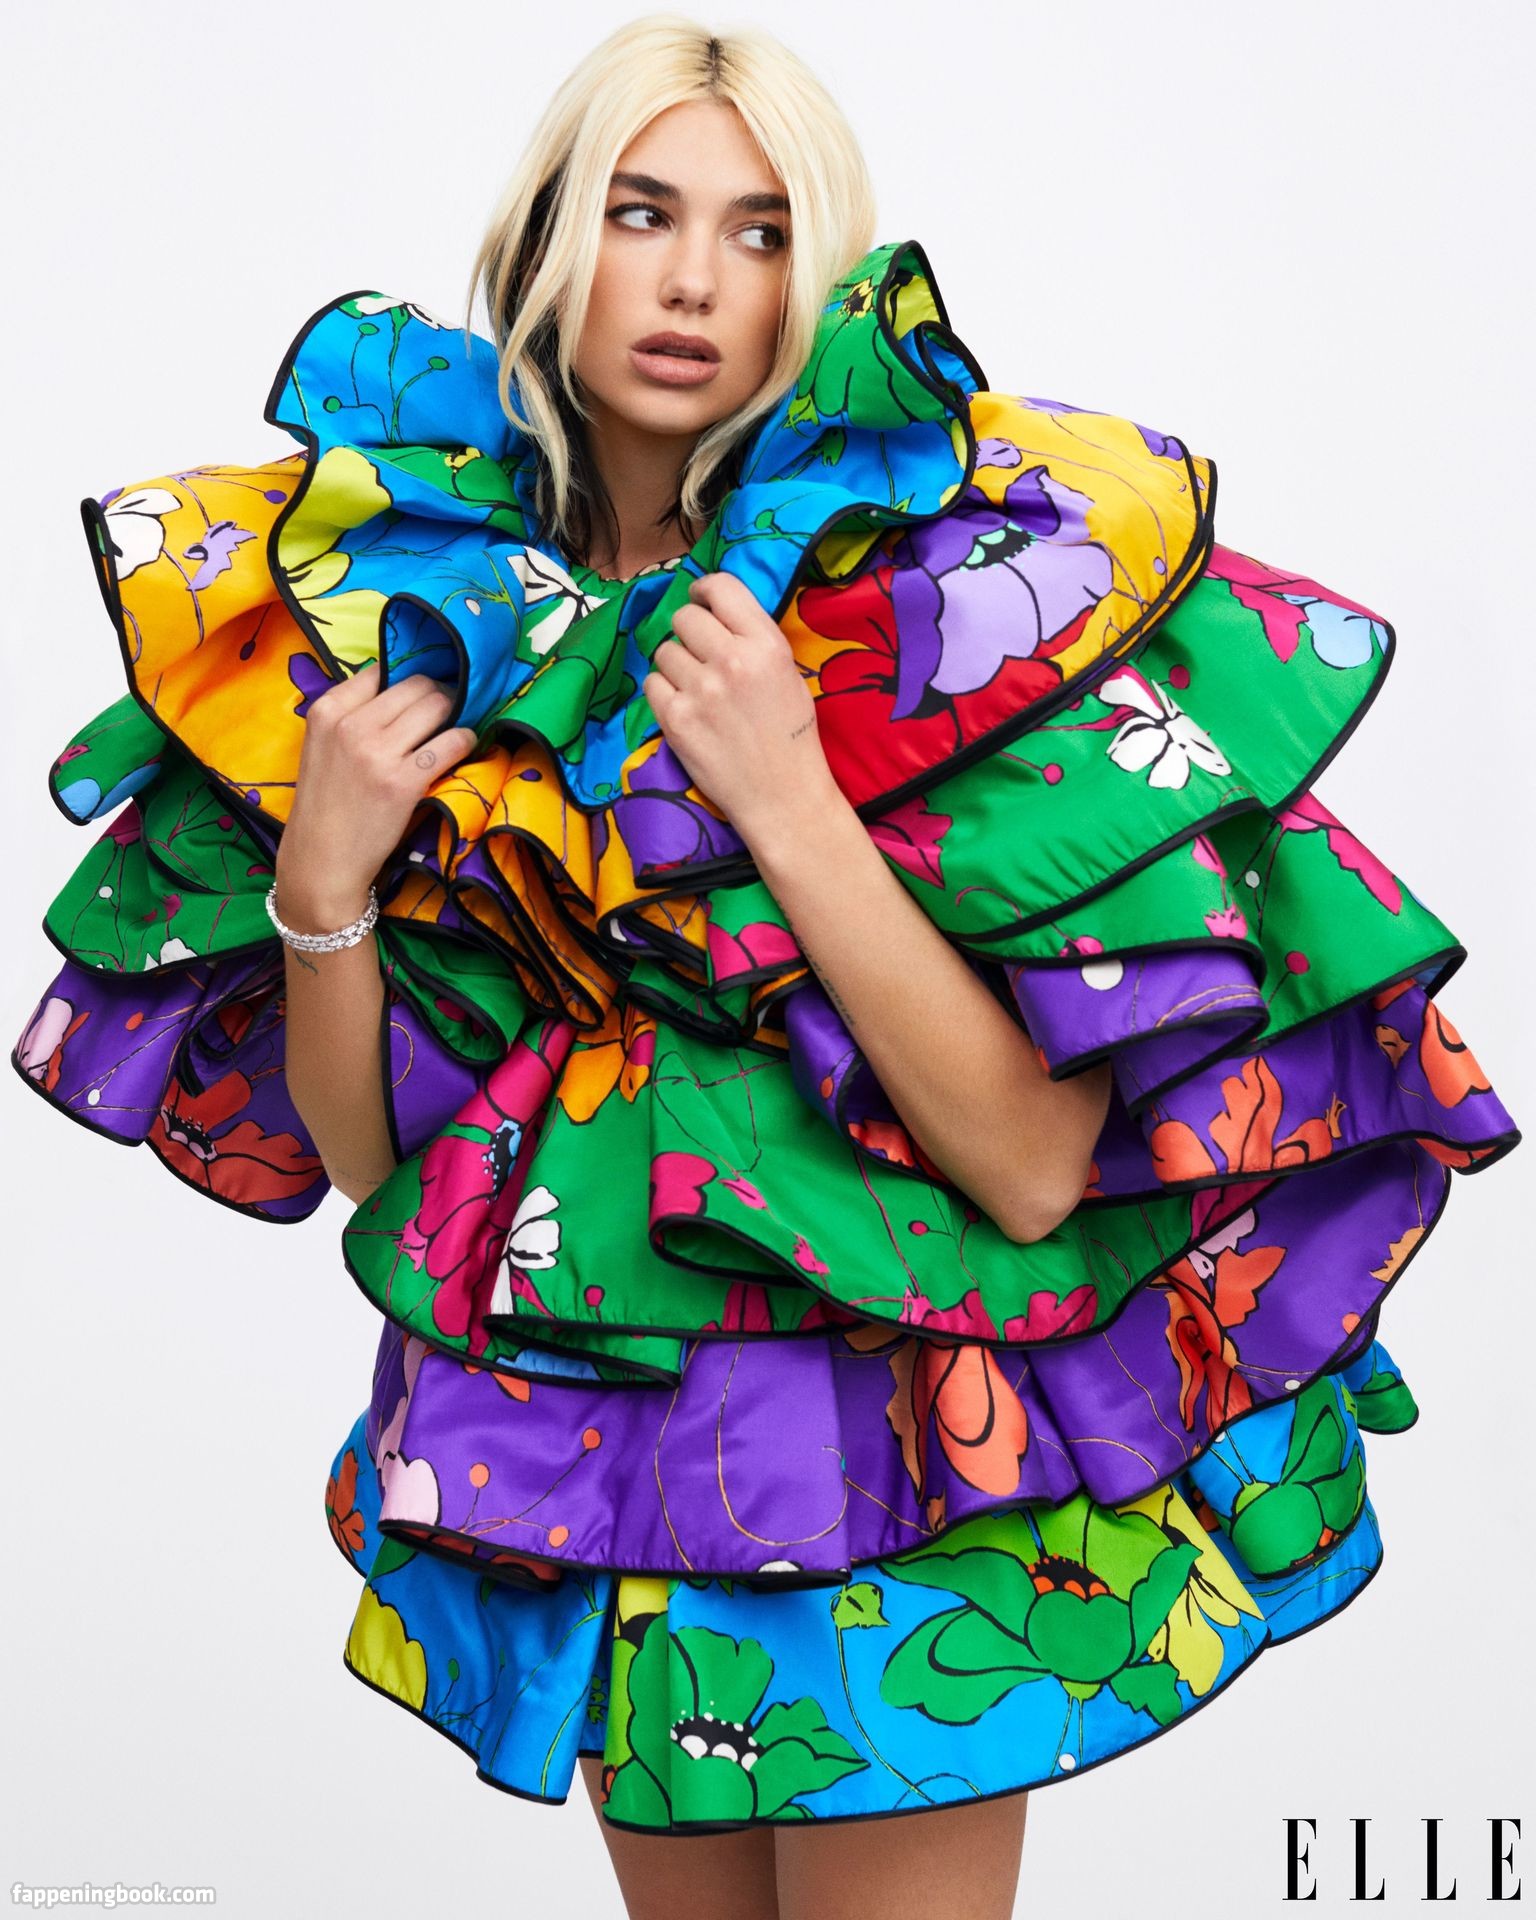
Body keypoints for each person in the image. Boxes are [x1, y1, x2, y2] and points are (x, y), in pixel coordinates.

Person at [12, 14, 1521, 1920]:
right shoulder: (415, 614)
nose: (694, 281)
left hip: (924, 1473)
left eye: (762, 230)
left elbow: (1030, 1169)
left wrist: (791, 801)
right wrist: (324, 882)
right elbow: (391, 1184)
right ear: (549, 241)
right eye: (642, 213)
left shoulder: (931, 602)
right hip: (613, 1468)